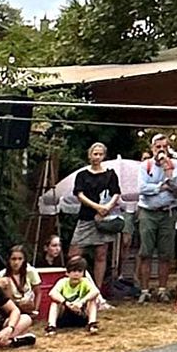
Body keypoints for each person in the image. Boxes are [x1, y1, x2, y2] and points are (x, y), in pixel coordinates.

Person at [69, 142, 122, 286]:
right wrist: (97, 207)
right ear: (89, 155)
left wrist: (107, 207)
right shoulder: (82, 175)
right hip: (86, 216)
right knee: (75, 253)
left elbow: (116, 193)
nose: (97, 157)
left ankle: (97, 291)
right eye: (95, 154)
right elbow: (79, 194)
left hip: (104, 219)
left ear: (104, 156)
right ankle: (74, 284)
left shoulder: (110, 174)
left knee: (101, 254)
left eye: (100, 154)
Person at [137, 135, 177, 300]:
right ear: (152, 149)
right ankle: (144, 290)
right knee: (146, 252)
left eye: (164, 146)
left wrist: (167, 170)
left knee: (166, 253)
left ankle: (162, 289)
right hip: (148, 212)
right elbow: (142, 187)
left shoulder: (175, 164)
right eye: (158, 147)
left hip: (168, 212)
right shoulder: (145, 166)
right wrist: (160, 187)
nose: (161, 150)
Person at [47, 256, 102, 334]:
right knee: (55, 303)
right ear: (67, 272)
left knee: (93, 300)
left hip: (81, 313)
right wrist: (66, 303)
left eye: (79, 271)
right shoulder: (62, 282)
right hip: (65, 315)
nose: (76, 274)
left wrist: (81, 302)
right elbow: (52, 293)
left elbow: (96, 291)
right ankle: (51, 326)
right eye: (73, 271)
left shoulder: (85, 282)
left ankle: (92, 324)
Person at [0, 244, 41, 316]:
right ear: (9, 260)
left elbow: (38, 292)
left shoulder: (31, 271)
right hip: (9, 306)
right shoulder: (1, 275)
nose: (16, 262)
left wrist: (36, 310)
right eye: (13, 259)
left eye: (20, 259)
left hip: (27, 305)